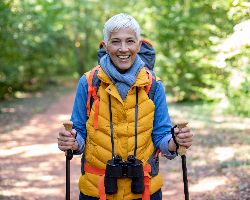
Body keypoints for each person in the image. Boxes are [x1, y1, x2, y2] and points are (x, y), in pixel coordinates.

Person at [57, 13, 193, 200]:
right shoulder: (89, 82)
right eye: (115, 42)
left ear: (138, 44)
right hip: (97, 191)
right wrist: (71, 142)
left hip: (144, 190)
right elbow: (79, 133)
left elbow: (161, 136)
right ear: (105, 46)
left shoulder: (153, 85)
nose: (123, 49)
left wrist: (176, 141)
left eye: (129, 41)